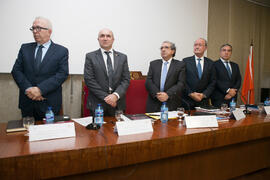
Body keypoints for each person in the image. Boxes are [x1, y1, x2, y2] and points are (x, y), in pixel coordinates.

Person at [12, 17, 69, 120]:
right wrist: (29, 89)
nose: (34, 32)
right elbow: (16, 71)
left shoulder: (61, 51)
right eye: (33, 28)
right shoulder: (25, 48)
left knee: (49, 134)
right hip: (27, 102)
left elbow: (62, 74)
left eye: (38, 28)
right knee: (26, 134)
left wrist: (40, 89)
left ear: (49, 31)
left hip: (49, 103)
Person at [84, 28, 130, 116]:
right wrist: (107, 98)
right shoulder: (90, 56)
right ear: (98, 39)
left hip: (117, 104)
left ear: (113, 39)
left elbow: (126, 80)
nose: (105, 38)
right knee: (98, 129)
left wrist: (115, 96)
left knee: (117, 129)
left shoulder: (122, 57)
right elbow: (89, 80)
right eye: (102, 36)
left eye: (108, 36)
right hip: (97, 104)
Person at [145, 41, 185, 112]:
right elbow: (148, 81)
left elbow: (181, 83)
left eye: (166, 47)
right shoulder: (153, 64)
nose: (163, 50)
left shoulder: (180, 65)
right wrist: (158, 94)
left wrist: (167, 95)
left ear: (173, 51)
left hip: (172, 102)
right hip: (154, 102)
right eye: (161, 48)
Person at [182, 38, 216, 109]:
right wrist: (191, 94)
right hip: (188, 101)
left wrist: (203, 95)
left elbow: (213, 82)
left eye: (200, 45)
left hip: (203, 101)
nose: (197, 47)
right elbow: (182, 80)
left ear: (205, 48)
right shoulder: (185, 61)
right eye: (195, 45)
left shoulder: (211, 63)